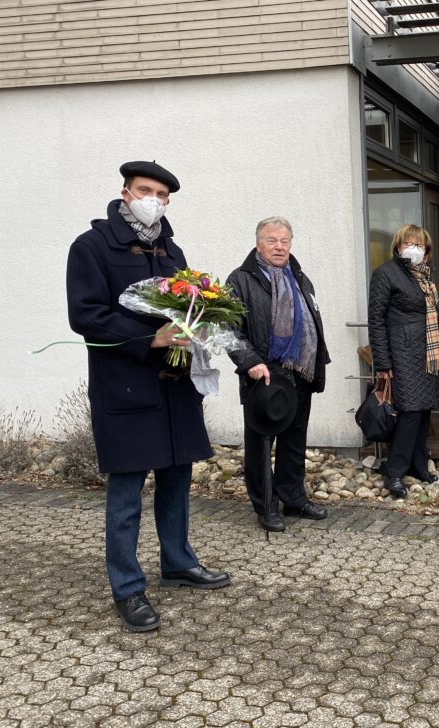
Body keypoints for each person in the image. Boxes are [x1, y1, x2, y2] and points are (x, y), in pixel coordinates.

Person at [66, 161, 230, 633]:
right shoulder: (92, 246)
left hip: (175, 390)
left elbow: (188, 306)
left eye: (161, 193)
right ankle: (127, 587)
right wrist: (151, 340)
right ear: (125, 191)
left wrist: (200, 328)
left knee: (177, 482)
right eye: (145, 190)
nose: (153, 199)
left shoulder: (170, 250)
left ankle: (177, 562)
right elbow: (87, 317)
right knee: (126, 495)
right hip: (127, 387)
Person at [227, 216, 330, 532]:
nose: (279, 246)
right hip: (264, 374)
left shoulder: (299, 276)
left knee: (294, 440)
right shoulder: (241, 279)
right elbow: (228, 329)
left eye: (284, 241)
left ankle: (293, 499)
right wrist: (250, 362)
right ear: (258, 243)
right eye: (272, 240)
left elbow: (311, 320)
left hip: (299, 372)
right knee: (261, 445)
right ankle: (266, 506)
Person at [368, 224, 439, 499]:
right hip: (402, 355)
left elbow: (433, 312)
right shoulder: (385, 274)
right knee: (410, 413)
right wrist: (382, 363)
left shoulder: (423, 277)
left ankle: (417, 464)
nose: (414, 248)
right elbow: (376, 322)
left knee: (424, 411)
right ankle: (395, 472)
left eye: (420, 245)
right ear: (398, 246)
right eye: (409, 243)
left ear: (427, 251)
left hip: (426, 354)